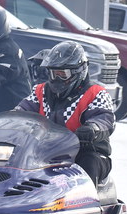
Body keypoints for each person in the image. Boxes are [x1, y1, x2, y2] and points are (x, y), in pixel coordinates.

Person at [15, 41, 115, 186]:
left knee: (89, 162)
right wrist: (9, 122)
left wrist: (93, 128)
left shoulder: (96, 93)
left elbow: (104, 118)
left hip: (84, 151)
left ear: (78, 72)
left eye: (62, 74)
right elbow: (22, 111)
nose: (57, 79)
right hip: (46, 150)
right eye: (53, 74)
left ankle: (86, 199)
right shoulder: (40, 91)